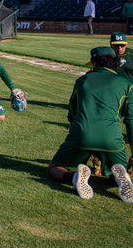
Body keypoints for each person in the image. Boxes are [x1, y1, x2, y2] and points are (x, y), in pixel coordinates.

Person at [48, 47, 133, 203]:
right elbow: (130, 120)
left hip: (82, 134)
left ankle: (73, 177)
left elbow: (72, 113)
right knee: (121, 171)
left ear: (94, 62)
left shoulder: (82, 80)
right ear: (115, 62)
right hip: (111, 139)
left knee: (55, 168)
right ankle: (120, 177)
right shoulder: (126, 84)